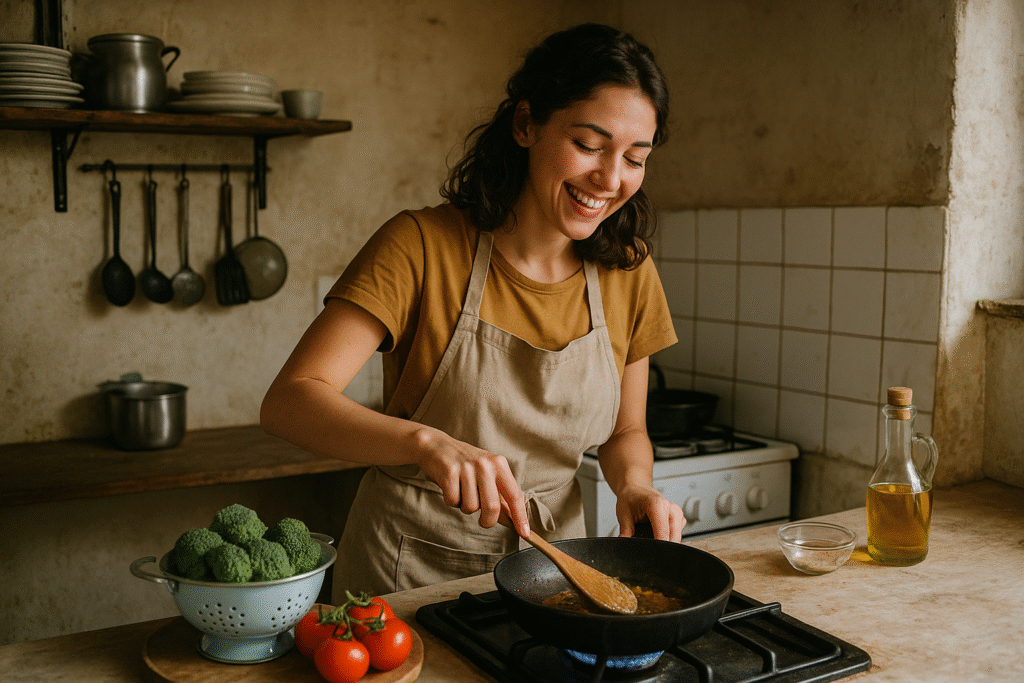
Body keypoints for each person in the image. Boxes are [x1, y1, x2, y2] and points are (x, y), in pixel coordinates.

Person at [261, 23, 684, 596]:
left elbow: (626, 429)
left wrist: (634, 486)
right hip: (410, 571)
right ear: (525, 124)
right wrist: (425, 442)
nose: (610, 179)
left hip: (557, 570)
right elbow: (290, 401)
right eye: (588, 145)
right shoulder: (421, 245)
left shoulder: (628, 269)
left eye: (635, 157)